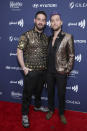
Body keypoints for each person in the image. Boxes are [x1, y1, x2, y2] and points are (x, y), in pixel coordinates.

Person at [17, 11, 48, 128]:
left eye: (43, 20)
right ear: (35, 20)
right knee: (27, 94)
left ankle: (37, 106)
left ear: (45, 22)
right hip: (30, 72)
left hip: (43, 71)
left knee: (39, 91)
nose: (41, 22)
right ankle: (24, 114)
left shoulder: (46, 38)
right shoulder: (26, 35)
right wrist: (24, 67)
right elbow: (19, 51)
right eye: (39, 19)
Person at [46, 13, 75, 124]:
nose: (54, 22)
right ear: (50, 23)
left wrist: (67, 70)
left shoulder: (68, 37)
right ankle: (51, 109)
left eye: (57, 20)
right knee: (50, 92)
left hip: (61, 71)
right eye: (52, 20)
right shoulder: (49, 38)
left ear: (61, 22)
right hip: (49, 71)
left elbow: (71, 55)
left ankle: (61, 113)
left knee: (61, 94)